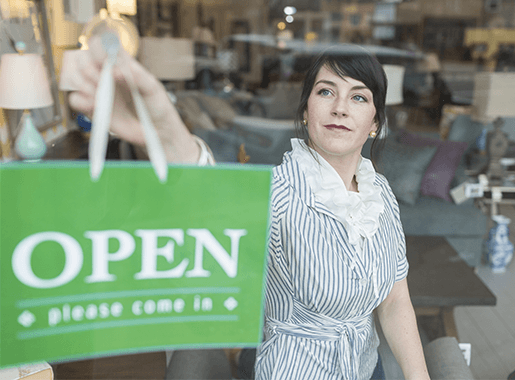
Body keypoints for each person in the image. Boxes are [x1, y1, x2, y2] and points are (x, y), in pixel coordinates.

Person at [69, 37, 430, 380]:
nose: (340, 107)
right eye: (326, 91)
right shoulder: (278, 191)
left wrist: (419, 376)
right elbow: (209, 193)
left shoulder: (379, 192)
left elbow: (395, 299)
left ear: (375, 124)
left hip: (368, 370)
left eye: (359, 97)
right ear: (306, 111)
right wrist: (165, 130)